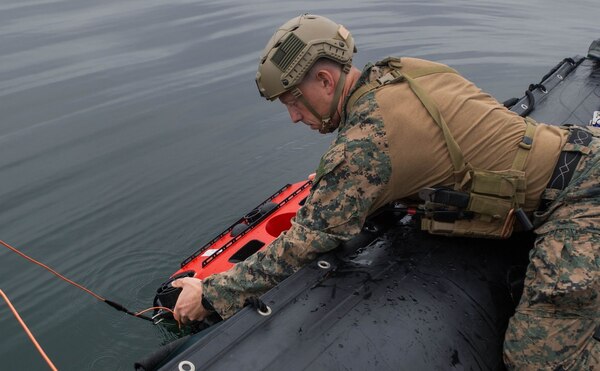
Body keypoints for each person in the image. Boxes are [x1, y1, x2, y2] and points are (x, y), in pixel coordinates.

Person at [171, 14, 599, 370]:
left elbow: (307, 239)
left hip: (582, 197)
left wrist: (211, 293)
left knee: (536, 359)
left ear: (324, 79)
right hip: (578, 152)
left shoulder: (365, 142)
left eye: (293, 101)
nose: (294, 117)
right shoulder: (401, 71)